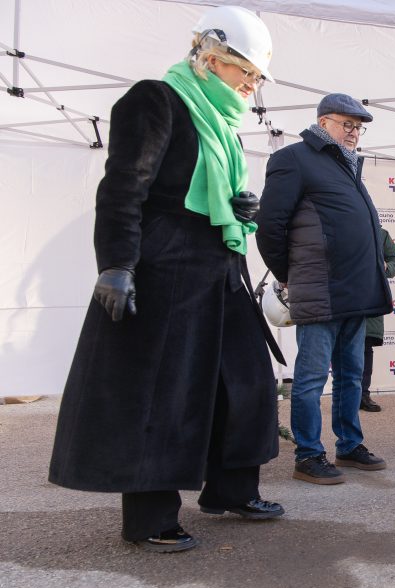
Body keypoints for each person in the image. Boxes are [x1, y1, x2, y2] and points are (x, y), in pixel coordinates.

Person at [48, 6, 285, 553]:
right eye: (243, 70)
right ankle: (151, 516)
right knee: (164, 392)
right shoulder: (156, 99)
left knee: (245, 381)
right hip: (167, 267)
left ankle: (232, 490)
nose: (251, 84)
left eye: (255, 76)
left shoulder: (222, 122)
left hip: (219, 267)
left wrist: (240, 206)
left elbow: (210, 194)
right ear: (210, 58)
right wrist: (116, 263)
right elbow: (124, 186)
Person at [257, 93, 391, 485]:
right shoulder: (293, 159)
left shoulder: (347, 165)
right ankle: (308, 454)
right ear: (322, 122)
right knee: (312, 376)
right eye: (346, 124)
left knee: (351, 375)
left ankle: (348, 445)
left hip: (355, 290)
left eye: (358, 127)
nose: (353, 133)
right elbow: (269, 226)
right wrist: (289, 273)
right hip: (320, 288)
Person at [360, 227, 395, 412]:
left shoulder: (381, 233)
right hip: (345, 295)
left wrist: (387, 267)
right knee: (344, 347)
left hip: (371, 296)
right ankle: (346, 395)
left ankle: (363, 395)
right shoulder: (343, 227)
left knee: (365, 346)